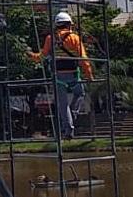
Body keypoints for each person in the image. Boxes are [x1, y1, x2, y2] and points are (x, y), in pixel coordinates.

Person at [29, 11, 94, 139]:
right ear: (69, 25)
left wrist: (32, 56)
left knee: (63, 105)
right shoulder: (75, 38)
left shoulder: (50, 39)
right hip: (74, 75)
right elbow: (83, 59)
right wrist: (89, 75)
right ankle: (73, 113)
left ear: (56, 25)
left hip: (58, 76)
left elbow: (41, 57)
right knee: (80, 93)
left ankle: (69, 131)